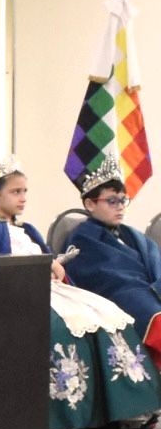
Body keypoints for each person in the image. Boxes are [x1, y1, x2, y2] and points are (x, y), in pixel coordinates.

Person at [0, 161, 160, 429]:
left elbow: (49, 259)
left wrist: (54, 266)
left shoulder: (27, 229)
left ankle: (126, 406)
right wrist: (38, 269)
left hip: (48, 287)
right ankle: (73, 409)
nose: (23, 197)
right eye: (15, 192)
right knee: (65, 327)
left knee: (107, 315)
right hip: (17, 291)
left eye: (24, 191)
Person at [65, 155, 161, 367]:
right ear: (90, 203)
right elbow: (102, 276)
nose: (120, 207)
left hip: (148, 290)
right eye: (111, 201)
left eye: (123, 200)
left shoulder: (131, 234)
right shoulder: (82, 239)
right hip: (122, 295)